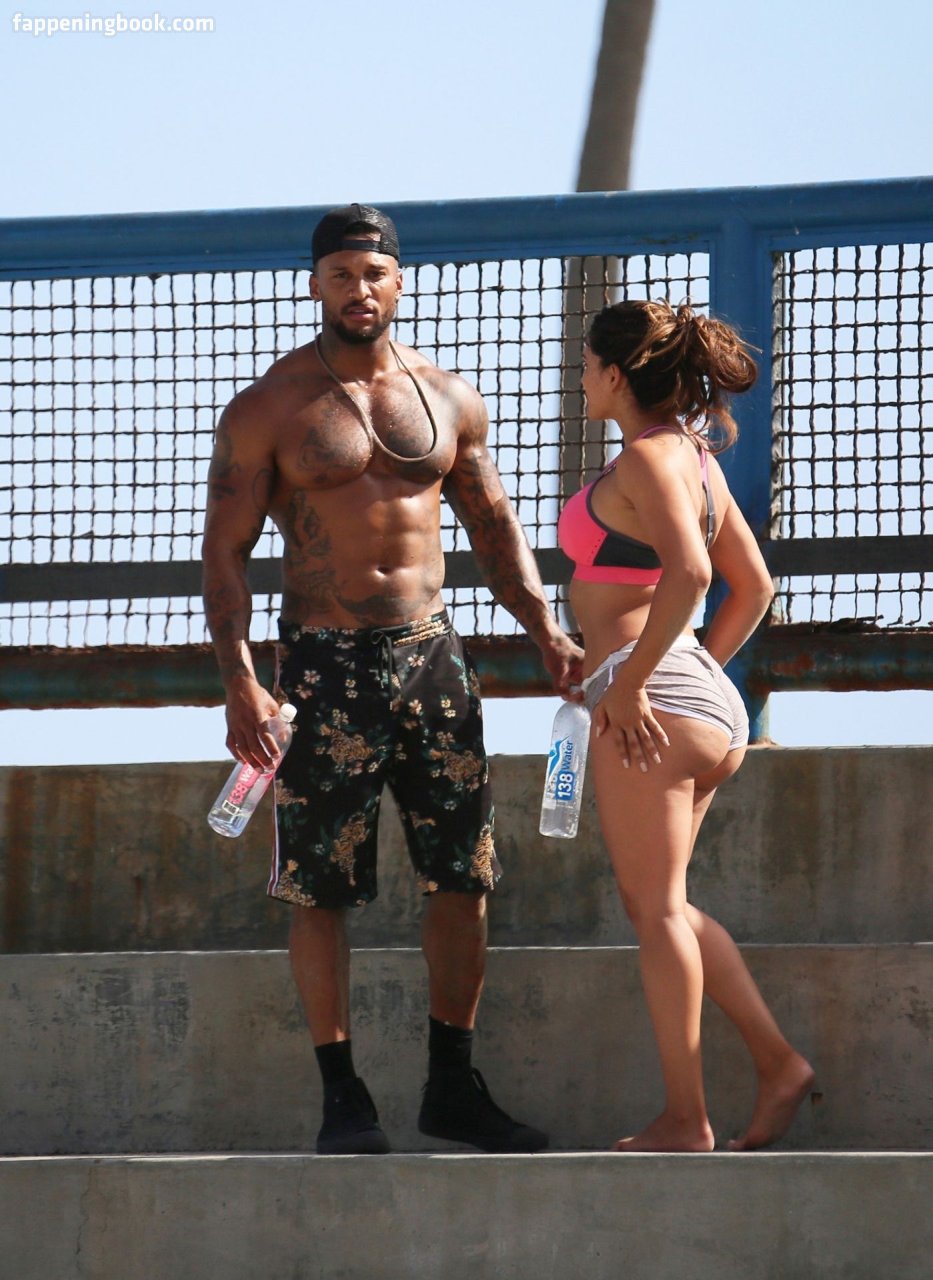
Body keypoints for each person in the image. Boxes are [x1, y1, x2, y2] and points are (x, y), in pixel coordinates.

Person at [202, 203, 581, 1155]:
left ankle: (452, 1088)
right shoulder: (268, 407)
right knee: (318, 887)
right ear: (314, 284)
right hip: (323, 665)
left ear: (398, 281)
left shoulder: (449, 398)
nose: (357, 290)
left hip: (433, 658)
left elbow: (492, 525)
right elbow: (224, 554)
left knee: (463, 874)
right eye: (340, 274)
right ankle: (343, 1098)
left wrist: (546, 629)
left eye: (372, 273)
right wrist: (241, 681)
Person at [559, 299, 815, 1152]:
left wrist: (634, 683)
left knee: (658, 914)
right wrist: (692, 669)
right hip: (694, 698)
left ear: (615, 374)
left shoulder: (645, 458)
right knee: (662, 907)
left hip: (654, 703)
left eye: (587, 365)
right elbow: (754, 586)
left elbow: (694, 572)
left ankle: (685, 1117)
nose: (581, 378)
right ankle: (778, 1065)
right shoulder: (694, 458)